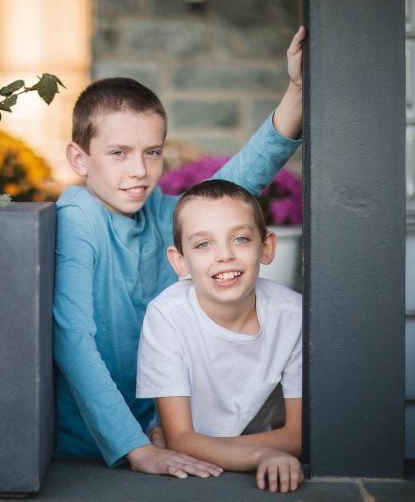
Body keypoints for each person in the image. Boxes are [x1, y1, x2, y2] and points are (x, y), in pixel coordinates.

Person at [53, 26, 306, 479]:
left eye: (152, 152)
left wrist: (297, 90)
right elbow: (72, 341)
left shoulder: (159, 211)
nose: (139, 171)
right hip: (99, 444)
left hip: (166, 434)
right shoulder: (78, 216)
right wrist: (134, 447)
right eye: (118, 153)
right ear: (79, 159)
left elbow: (236, 187)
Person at [136, 179, 303, 493]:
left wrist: (184, 444)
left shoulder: (294, 316)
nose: (224, 255)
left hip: (212, 452)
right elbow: (181, 437)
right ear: (180, 261)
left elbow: (297, 436)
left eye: (240, 239)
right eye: (203, 244)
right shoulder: (167, 316)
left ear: (266, 247)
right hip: (204, 467)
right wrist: (264, 454)